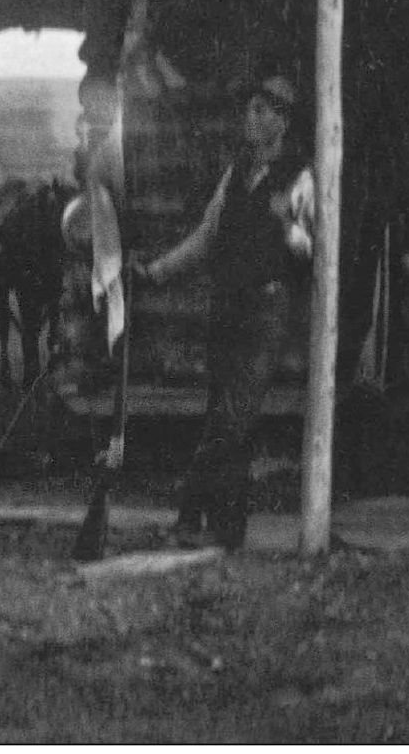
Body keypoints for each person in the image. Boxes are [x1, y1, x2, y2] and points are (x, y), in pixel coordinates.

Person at [132, 72, 314, 551]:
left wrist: (290, 230)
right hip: (227, 308)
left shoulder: (300, 178)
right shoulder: (236, 174)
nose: (249, 120)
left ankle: (192, 515)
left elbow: (312, 247)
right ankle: (225, 529)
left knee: (233, 419)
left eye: (260, 111)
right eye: (248, 110)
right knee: (223, 415)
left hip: (266, 311)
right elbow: (206, 238)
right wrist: (157, 272)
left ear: (281, 121)